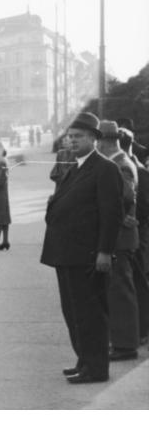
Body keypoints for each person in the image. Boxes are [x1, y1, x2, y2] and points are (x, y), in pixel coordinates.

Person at [40, 112, 123, 384]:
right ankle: (84, 360)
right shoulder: (75, 166)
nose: (72, 141)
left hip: (87, 254)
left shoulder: (105, 169)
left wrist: (104, 251)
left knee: (90, 314)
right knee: (72, 312)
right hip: (67, 253)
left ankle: (96, 368)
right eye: (70, 136)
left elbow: (112, 214)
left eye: (78, 137)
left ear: (94, 139)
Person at [98, 121, 142, 361]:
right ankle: (121, 342)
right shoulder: (118, 162)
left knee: (120, 293)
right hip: (120, 236)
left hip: (120, 238)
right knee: (117, 291)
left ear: (104, 141)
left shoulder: (120, 165)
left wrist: (118, 217)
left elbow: (124, 197)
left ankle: (125, 346)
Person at [119, 127, 149, 345]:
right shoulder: (137, 166)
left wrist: (129, 217)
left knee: (136, 282)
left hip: (136, 232)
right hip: (137, 230)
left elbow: (142, 204)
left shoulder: (131, 168)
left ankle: (141, 330)